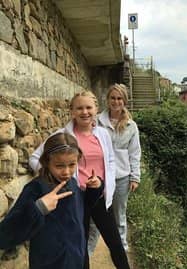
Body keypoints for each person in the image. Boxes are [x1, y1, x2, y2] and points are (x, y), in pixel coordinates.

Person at [30, 91, 130, 269]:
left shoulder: (102, 134)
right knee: (80, 245)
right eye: (80, 108)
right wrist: (55, 176)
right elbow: (35, 158)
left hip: (98, 196)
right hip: (74, 198)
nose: (85, 112)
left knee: (115, 242)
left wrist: (107, 186)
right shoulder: (62, 136)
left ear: (96, 109)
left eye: (89, 107)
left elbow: (111, 160)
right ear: (72, 111)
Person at [0, 133, 102, 268]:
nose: (66, 172)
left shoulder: (72, 183)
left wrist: (95, 189)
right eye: (59, 166)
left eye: (72, 164)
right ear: (47, 162)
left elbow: (82, 209)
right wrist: (38, 208)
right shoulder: (36, 188)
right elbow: (5, 235)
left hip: (76, 260)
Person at [97, 84, 141, 251]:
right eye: (113, 98)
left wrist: (135, 177)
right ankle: (87, 250)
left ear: (124, 101)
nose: (116, 101)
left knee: (119, 214)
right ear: (108, 100)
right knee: (96, 216)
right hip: (100, 176)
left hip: (121, 177)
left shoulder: (131, 126)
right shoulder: (97, 122)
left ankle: (120, 246)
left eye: (119, 98)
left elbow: (135, 152)